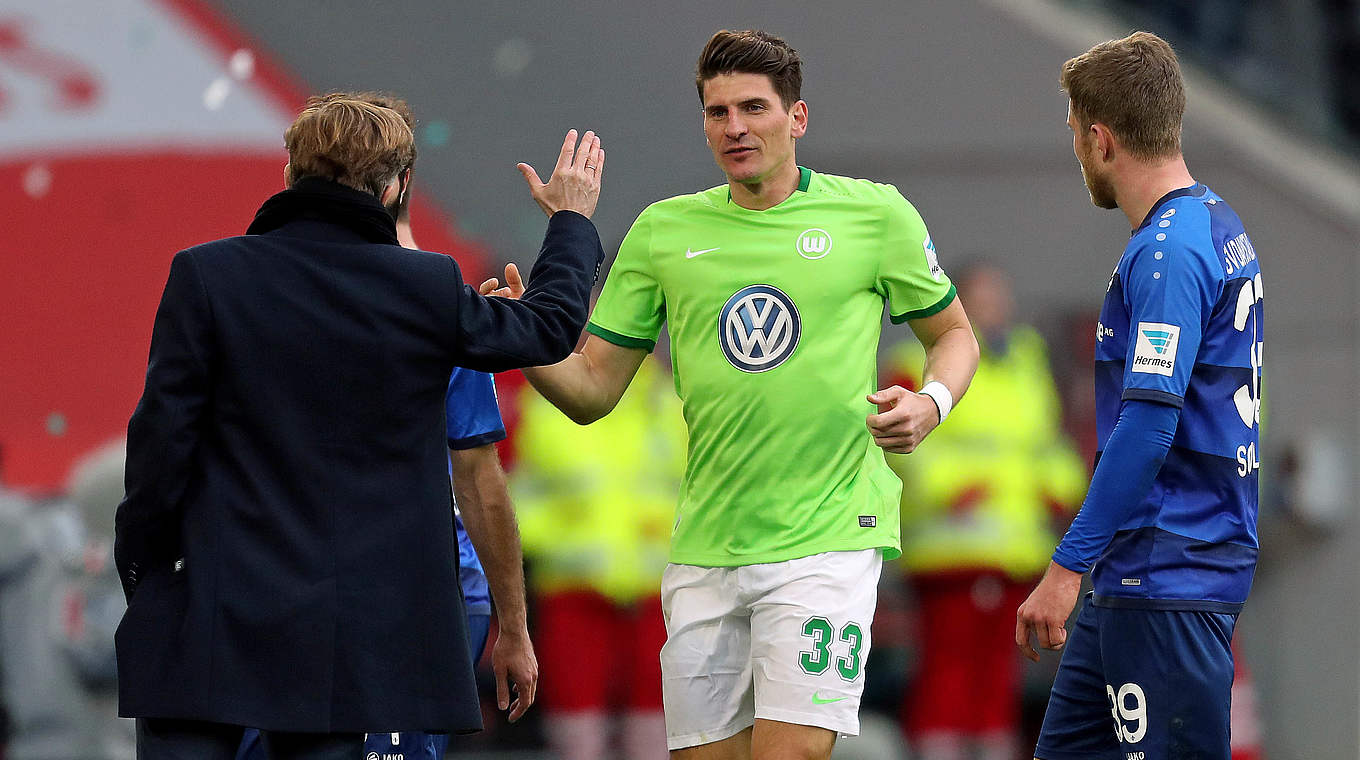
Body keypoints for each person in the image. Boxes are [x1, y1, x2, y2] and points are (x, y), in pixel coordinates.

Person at [519, 29, 979, 760]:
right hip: (705, 548)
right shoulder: (663, 232)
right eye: (717, 111)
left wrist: (931, 403)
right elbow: (592, 390)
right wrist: (523, 341)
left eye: (754, 107)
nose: (735, 127)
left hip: (827, 540)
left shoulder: (875, 215)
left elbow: (955, 336)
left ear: (796, 118)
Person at [114, 93, 605, 759]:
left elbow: (158, 451)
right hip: (347, 645)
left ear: (290, 171)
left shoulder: (207, 274)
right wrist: (571, 222)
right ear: (396, 186)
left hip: (211, 621)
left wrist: (145, 575)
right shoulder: (424, 287)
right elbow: (546, 329)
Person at [1016, 32, 1264, 760]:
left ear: (1100, 138)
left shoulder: (1168, 254)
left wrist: (1065, 568)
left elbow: (1149, 427)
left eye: (1072, 134)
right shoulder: (1216, 224)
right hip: (1135, 578)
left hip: (1170, 578)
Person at [883, 265, 1087, 760]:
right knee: (945, 680)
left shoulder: (1024, 363)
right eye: (984, 297)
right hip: (949, 554)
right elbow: (897, 442)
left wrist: (1062, 489)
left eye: (1001, 296)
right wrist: (954, 490)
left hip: (1014, 555)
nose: (996, 307)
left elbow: (1047, 445)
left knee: (998, 681)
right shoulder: (917, 359)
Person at [511, 353, 686, 760]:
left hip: (658, 598)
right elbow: (520, 502)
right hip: (574, 593)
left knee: (656, 731)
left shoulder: (674, 407)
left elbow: (695, 497)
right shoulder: (544, 408)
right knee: (577, 733)